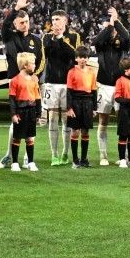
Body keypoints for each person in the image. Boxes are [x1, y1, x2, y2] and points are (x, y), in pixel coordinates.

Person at [0, 0, 45, 168]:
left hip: (32, 84)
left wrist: (36, 76)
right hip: (14, 81)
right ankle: (9, 155)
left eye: (26, 22)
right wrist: (15, 8)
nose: (25, 25)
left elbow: (41, 61)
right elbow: (4, 25)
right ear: (15, 24)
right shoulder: (9, 36)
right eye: (21, 22)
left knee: (30, 121)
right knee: (16, 120)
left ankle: (27, 158)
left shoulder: (37, 40)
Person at [42, 10, 84, 167]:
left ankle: (66, 153)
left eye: (58, 19)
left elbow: (76, 56)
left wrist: (60, 39)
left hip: (68, 83)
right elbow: (44, 55)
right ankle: (54, 154)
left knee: (67, 118)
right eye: (52, 19)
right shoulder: (46, 37)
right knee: (52, 118)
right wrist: (53, 39)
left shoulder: (74, 37)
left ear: (65, 21)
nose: (54, 22)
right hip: (51, 83)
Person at [94, 6, 130, 166]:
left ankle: (122, 156)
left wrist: (116, 21)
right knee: (102, 120)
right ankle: (103, 156)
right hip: (104, 85)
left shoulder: (123, 43)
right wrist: (109, 26)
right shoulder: (102, 44)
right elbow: (96, 41)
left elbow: (128, 37)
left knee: (122, 121)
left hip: (121, 85)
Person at [8, 51, 42, 172]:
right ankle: (15, 163)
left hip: (31, 111)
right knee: (17, 138)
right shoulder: (15, 80)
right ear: (25, 66)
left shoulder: (34, 79)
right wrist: (13, 114)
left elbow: (37, 97)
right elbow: (12, 99)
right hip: (20, 112)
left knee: (30, 138)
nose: (34, 66)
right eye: (32, 63)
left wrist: (39, 112)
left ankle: (31, 162)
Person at [66, 46, 99, 168]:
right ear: (76, 58)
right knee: (75, 131)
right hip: (75, 101)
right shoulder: (71, 72)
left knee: (85, 131)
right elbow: (69, 91)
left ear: (88, 58)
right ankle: (75, 159)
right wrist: (69, 108)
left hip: (88, 102)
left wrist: (94, 108)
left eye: (85, 57)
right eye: (80, 57)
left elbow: (94, 91)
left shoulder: (91, 72)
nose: (83, 60)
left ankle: (84, 159)